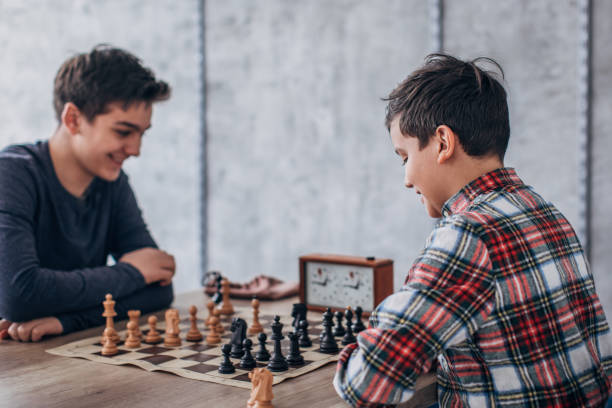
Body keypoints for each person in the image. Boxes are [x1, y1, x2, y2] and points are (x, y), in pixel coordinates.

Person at [334, 54, 612, 407]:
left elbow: (367, 382)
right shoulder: (541, 209)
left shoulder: (468, 235)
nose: (406, 180)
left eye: (404, 157)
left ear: (443, 143)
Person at [0, 45, 176, 342]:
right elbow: (19, 295)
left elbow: (159, 286)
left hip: (59, 356)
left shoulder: (112, 182)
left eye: (142, 134)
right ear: (74, 119)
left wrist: (65, 320)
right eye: (123, 132)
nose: (135, 150)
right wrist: (132, 274)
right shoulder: (11, 174)